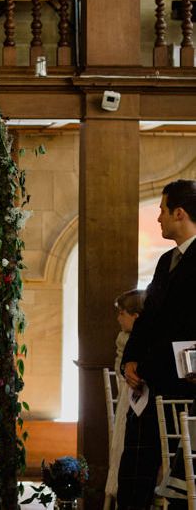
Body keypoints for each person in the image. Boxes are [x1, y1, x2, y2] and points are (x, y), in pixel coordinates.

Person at [118, 180, 196, 509]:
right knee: (134, 473)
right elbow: (147, 318)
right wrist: (130, 361)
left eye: (162, 210)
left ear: (180, 213)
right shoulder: (166, 261)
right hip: (151, 380)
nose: (159, 218)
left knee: (182, 485)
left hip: (186, 382)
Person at [104, 289, 146, 501]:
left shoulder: (139, 345)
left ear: (136, 317)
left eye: (122, 313)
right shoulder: (124, 341)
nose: (118, 318)